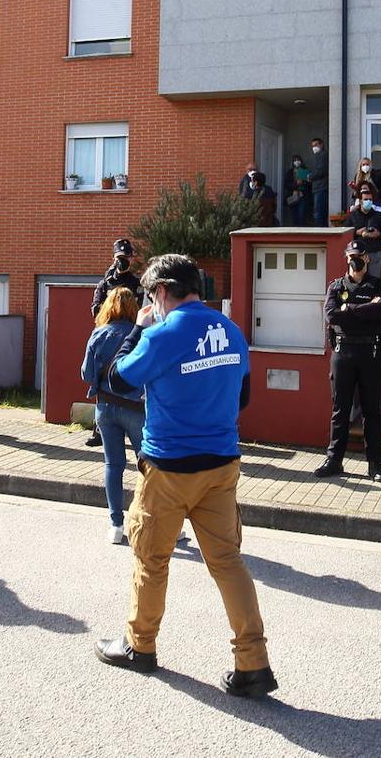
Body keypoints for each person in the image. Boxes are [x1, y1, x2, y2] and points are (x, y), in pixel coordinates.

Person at [94, 254, 277, 699]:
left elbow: (117, 379)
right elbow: (244, 396)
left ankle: (140, 647)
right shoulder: (230, 330)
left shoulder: (161, 333)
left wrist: (138, 329)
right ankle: (253, 664)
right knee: (228, 562)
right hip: (221, 464)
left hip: (170, 467)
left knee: (151, 560)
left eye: (149, 297)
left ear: (158, 293)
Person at [315, 241, 381, 483]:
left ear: (366, 258)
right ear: (346, 258)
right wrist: (364, 308)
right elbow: (331, 315)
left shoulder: (378, 285)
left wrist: (349, 308)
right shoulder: (336, 287)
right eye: (351, 256)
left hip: (370, 352)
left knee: (372, 410)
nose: (355, 260)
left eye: (359, 256)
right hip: (343, 352)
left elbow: (380, 311)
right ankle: (334, 460)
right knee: (340, 409)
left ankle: (375, 464)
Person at [80, 286, 145, 544]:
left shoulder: (99, 334)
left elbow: (86, 374)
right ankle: (153, 522)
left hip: (105, 408)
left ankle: (116, 526)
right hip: (136, 409)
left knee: (113, 465)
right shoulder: (141, 335)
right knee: (150, 467)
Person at [89, 239, 144, 449]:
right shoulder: (104, 283)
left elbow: (138, 310)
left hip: (128, 335)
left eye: (126, 258)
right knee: (102, 377)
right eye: (119, 258)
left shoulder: (135, 283)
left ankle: (129, 423)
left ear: (131, 259)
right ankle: (100, 428)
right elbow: (94, 309)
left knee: (126, 375)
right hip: (106, 334)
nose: (122, 262)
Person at [343, 180, 381, 279]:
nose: (368, 202)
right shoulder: (353, 216)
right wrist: (357, 232)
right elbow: (345, 232)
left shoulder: (378, 215)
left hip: (374, 251)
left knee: (374, 279)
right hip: (357, 253)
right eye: (365, 199)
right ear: (360, 201)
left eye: (370, 200)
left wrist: (378, 234)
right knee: (357, 278)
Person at [350, 155, 381, 235]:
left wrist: (377, 194)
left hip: (376, 201)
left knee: (376, 217)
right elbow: (358, 192)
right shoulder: (357, 177)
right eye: (363, 165)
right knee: (354, 212)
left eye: (367, 164)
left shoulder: (377, 175)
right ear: (360, 166)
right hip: (362, 201)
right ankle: (360, 232)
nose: (365, 166)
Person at [307, 137, 329, 226]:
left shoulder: (322, 155)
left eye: (316, 145)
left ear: (321, 145)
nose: (314, 147)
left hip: (321, 187)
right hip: (318, 187)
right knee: (319, 211)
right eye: (312, 146)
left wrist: (310, 177)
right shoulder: (317, 156)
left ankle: (320, 231)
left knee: (318, 212)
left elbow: (321, 171)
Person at [284, 154, 312, 226]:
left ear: (301, 161)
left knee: (301, 215)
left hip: (303, 195)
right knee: (294, 215)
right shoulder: (290, 172)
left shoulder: (306, 171)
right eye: (295, 160)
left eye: (298, 160)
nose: (297, 162)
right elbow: (286, 184)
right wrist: (295, 184)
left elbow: (310, 183)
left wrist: (303, 182)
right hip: (292, 196)